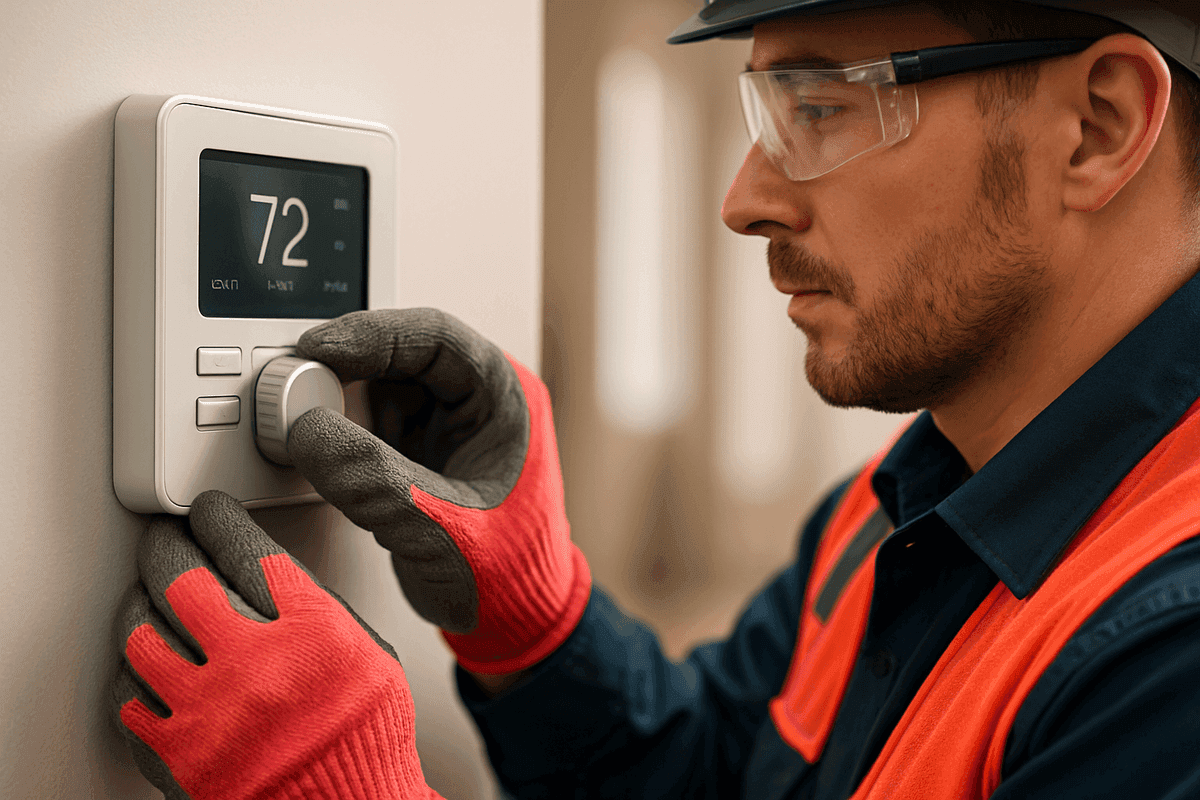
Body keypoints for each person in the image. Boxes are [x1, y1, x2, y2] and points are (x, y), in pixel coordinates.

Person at [110, 1, 1200, 797]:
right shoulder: (898, 506)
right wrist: (541, 623)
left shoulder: (1168, 656)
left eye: (818, 106)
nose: (746, 199)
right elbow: (716, 774)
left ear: (1098, 125)